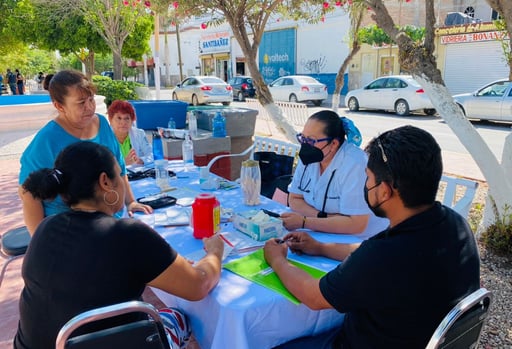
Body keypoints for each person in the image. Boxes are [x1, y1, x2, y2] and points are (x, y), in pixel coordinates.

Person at [264, 125, 481, 349]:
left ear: (385, 191)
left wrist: (277, 259)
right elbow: (370, 255)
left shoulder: (383, 255)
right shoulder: (456, 224)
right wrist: (320, 247)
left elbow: (313, 296)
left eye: (367, 179)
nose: (365, 186)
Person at [14, 141, 224, 349]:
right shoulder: (128, 234)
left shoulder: (45, 228)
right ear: (105, 182)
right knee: (179, 317)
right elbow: (199, 286)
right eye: (119, 173)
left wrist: (159, 264)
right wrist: (215, 253)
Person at [18, 70, 151, 235]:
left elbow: (119, 168)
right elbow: (28, 193)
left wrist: (130, 201)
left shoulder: (101, 123)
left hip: (107, 220)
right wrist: (42, 241)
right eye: (81, 102)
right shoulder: (46, 141)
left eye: (91, 99)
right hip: (69, 230)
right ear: (60, 106)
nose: (89, 107)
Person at [281, 110, 388, 239]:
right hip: (321, 233)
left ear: (333, 144)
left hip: (359, 240)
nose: (305, 145)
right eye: (302, 138)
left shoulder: (356, 164)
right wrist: (325, 218)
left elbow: (357, 224)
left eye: (311, 140)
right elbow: (294, 199)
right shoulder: (309, 158)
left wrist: (304, 221)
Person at [107, 100, 153, 166]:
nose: (123, 122)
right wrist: (123, 163)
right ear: (110, 119)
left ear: (132, 121)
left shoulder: (139, 134)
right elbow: (102, 165)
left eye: (127, 118)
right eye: (119, 118)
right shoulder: (104, 137)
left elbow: (151, 154)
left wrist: (141, 160)